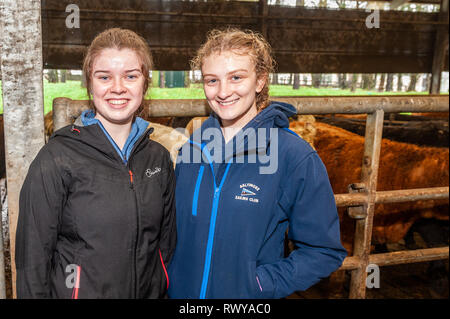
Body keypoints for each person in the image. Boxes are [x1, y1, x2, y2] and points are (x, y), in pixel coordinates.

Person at [168, 28, 347, 299]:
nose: (223, 91)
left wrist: (260, 284)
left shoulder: (293, 156)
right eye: (211, 80)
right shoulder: (191, 150)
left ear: (260, 80)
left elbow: (324, 250)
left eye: (236, 77)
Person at [15, 28, 176, 298]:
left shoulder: (158, 159)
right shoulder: (57, 158)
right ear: (90, 84)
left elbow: (165, 246)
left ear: (144, 84)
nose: (118, 88)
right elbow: (33, 261)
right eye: (104, 77)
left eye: (131, 76)